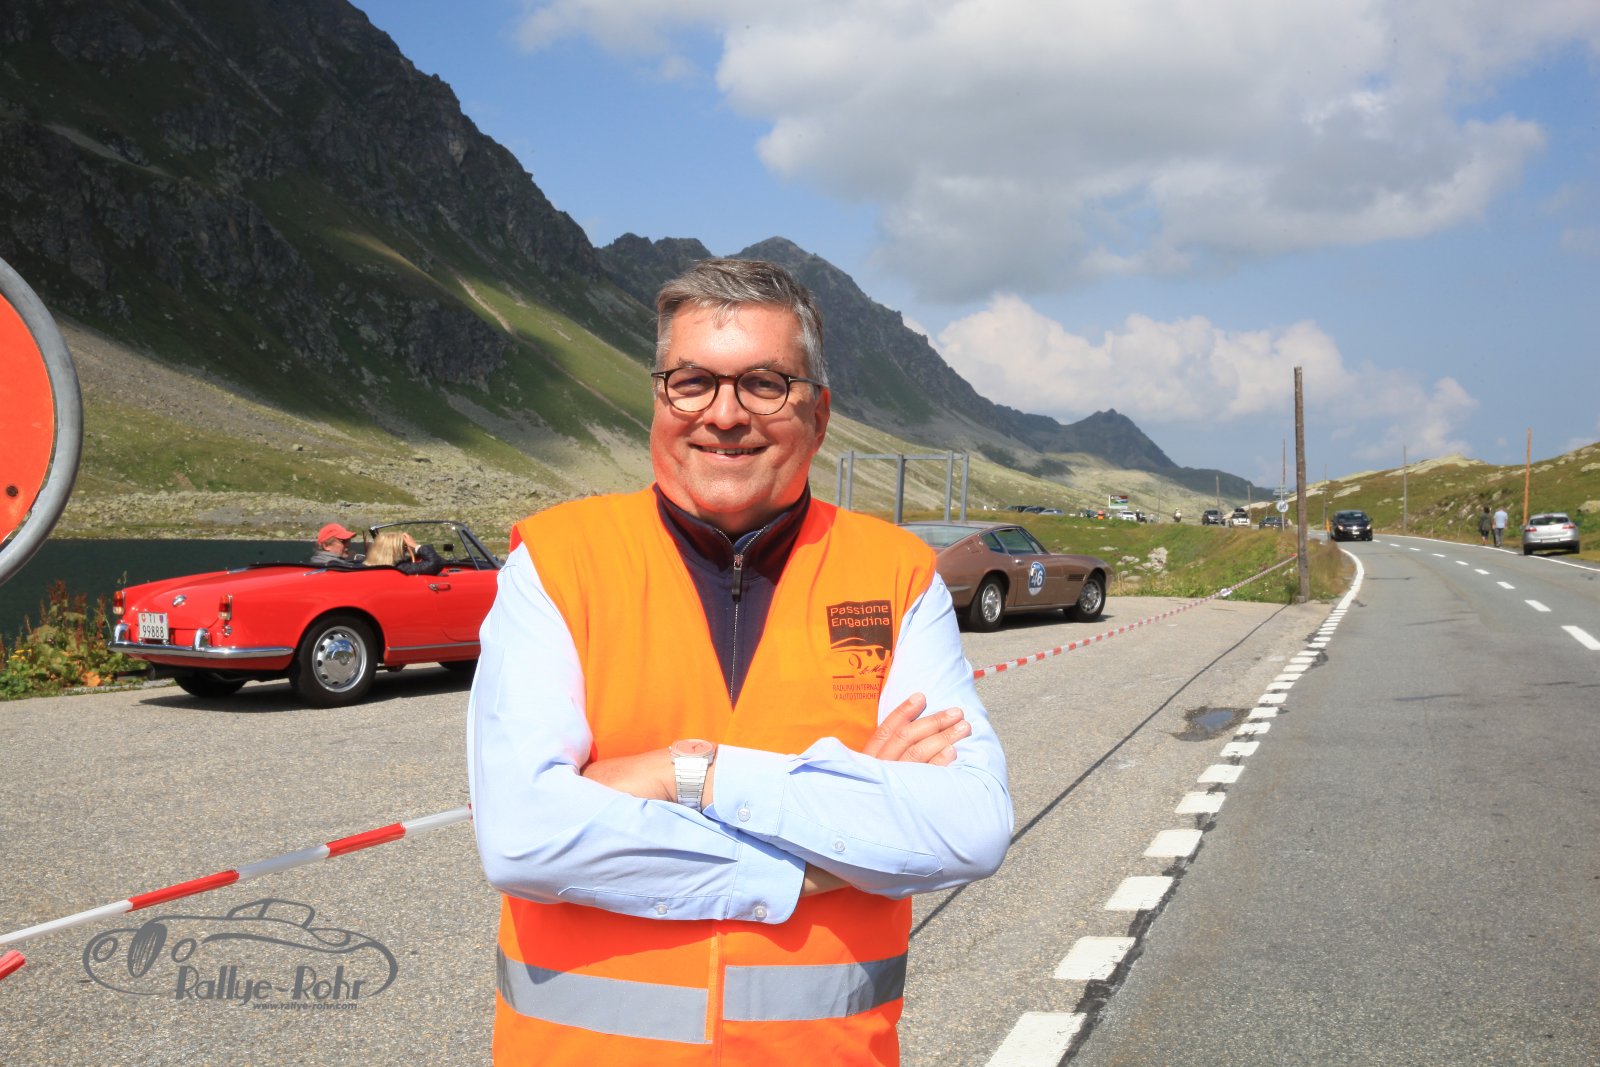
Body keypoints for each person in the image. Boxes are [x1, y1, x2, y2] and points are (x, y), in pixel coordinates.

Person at [467, 259, 1012, 1066]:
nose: (724, 415)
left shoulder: (897, 576)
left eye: (764, 383)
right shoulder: (554, 562)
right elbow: (524, 835)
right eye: (691, 382)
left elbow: (969, 826)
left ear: (819, 414)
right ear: (659, 400)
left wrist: (690, 775)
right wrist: (834, 837)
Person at [363, 529, 445, 575]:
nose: (405, 550)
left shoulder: (366, 566)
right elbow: (436, 563)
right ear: (394, 551)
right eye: (403, 547)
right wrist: (415, 546)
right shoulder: (401, 569)